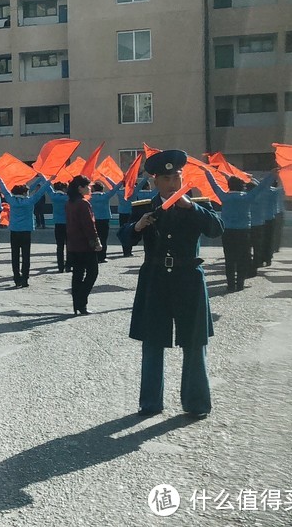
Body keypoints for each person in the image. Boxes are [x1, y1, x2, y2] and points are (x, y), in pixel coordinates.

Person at [119, 150, 224, 419]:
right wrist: (137, 227)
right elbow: (124, 238)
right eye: (166, 178)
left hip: (188, 277)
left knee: (194, 340)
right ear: (155, 181)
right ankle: (150, 403)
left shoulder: (197, 204)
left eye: (176, 176)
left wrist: (193, 208)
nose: (172, 183)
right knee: (153, 341)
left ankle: (196, 403)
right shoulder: (144, 206)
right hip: (155, 278)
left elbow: (216, 229)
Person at [205, 170, 275, 292]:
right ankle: (240, 284)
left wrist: (207, 172)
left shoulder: (224, 197)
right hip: (244, 232)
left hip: (227, 231)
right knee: (242, 257)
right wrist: (272, 174)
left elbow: (214, 185)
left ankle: (231, 285)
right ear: (242, 186)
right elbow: (262, 187)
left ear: (229, 186)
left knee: (229, 258)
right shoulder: (247, 197)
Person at [0, 173, 50, 288]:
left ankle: (17, 278)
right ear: (24, 193)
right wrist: (47, 179)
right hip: (26, 231)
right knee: (26, 256)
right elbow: (41, 191)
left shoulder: (11, 200)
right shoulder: (30, 201)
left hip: (15, 231)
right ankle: (25, 279)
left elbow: (5, 190)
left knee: (15, 255)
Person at [66, 176, 102, 314]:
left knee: (77, 274)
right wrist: (96, 242)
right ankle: (81, 301)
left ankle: (77, 305)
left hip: (73, 244)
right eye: (87, 186)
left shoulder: (70, 203)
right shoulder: (83, 203)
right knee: (92, 273)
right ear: (80, 188)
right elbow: (89, 226)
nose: (90, 188)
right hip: (85, 245)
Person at [117, 177, 150, 257]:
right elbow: (140, 185)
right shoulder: (133, 191)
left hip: (121, 213)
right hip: (131, 212)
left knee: (123, 231)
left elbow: (114, 187)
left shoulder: (119, 192)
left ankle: (125, 251)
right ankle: (129, 251)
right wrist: (147, 177)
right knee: (130, 231)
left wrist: (122, 181)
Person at [90, 179, 122, 262]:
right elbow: (116, 187)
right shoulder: (105, 196)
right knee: (103, 239)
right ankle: (102, 256)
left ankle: (94, 256)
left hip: (93, 220)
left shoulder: (89, 197)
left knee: (94, 238)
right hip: (104, 220)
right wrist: (106, 178)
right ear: (102, 189)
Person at [48, 182, 70, 273]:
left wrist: (45, 178)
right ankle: (69, 265)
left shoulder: (53, 196)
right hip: (68, 223)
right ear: (64, 189)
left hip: (57, 223)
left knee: (59, 246)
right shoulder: (67, 198)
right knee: (69, 246)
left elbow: (47, 187)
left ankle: (60, 266)